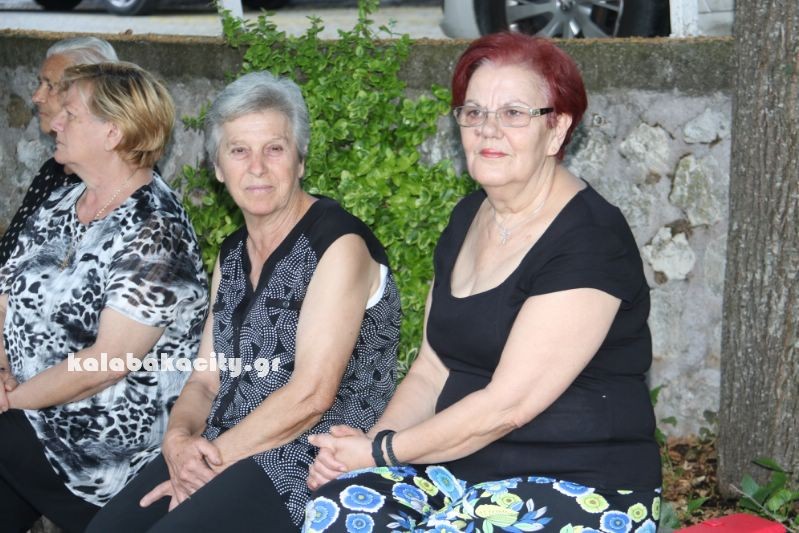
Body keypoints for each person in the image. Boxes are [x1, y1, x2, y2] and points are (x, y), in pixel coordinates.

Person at [303, 33, 662, 533]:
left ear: (556, 129)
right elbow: (432, 368)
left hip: (576, 483)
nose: (488, 129)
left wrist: (380, 452)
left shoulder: (590, 238)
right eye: (473, 112)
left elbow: (506, 407)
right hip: (458, 472)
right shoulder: (468, 215)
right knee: (341, 509)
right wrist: (368, 453)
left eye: (513, 113)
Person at [86, 70, 402, 533]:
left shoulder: (338, 244)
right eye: (238, 151)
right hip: (224, 442)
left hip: (310, 456)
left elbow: (312, 395)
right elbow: (205, 378)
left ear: (300, 161)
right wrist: (178, 442)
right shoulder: (232, 253)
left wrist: (206, 464)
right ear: (218, 167)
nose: (257, 167)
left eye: (274, 149)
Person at [0, 62, 208, 533]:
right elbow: (4, 296)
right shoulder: (62, 203)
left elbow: (107, 363)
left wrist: (12, 402)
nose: (54, 124)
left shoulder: (156, 229)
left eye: (70, 115)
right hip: (30, 417)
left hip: (97, 445)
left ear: (113, 132)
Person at [0, 36, 118, 266]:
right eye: (40, 83)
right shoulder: (53, 170)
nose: (36, 97)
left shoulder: (118, 187)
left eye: (50, 86)